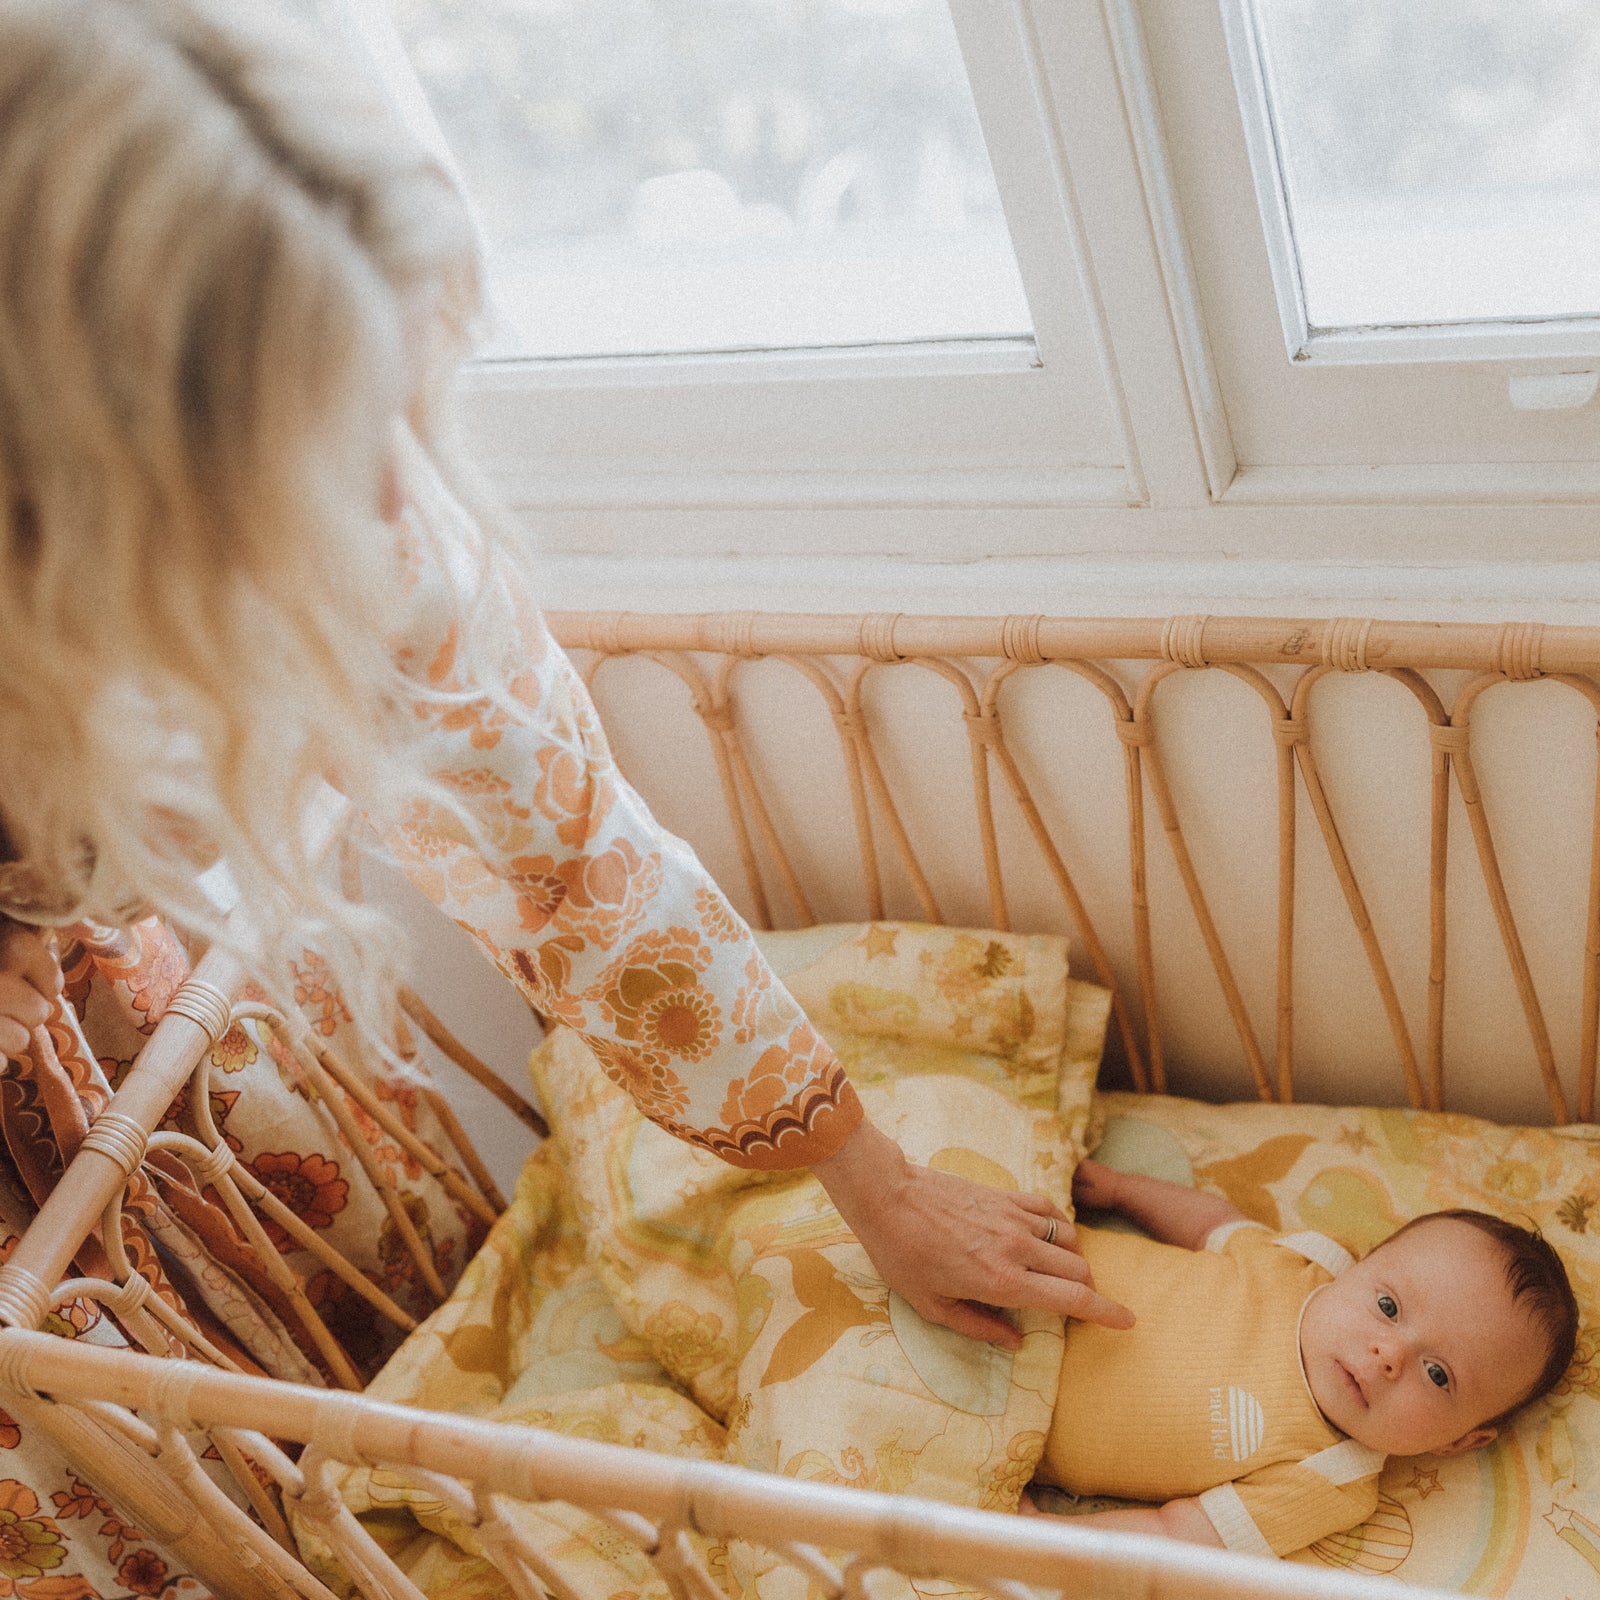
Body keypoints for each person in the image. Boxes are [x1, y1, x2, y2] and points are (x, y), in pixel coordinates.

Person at [0, 0, 1131, 1353]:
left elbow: (571, 850)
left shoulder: (380, 542)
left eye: (396, 416)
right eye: (308, 457)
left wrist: (867, 1177)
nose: (381, 494)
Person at [1024, 1157, 1578, 1556]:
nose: (1389, 1355)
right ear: (1359, 1265)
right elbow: (1208, 1224)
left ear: (1459, 1441)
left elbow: (1180, 1535)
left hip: (1012, 1409)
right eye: (1387, 1305)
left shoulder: (1329, 1479)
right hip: (1028, 1259)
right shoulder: (1307, 1264)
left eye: (1437, 1375)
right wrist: (1123, 1189)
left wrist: (1039, 1541)